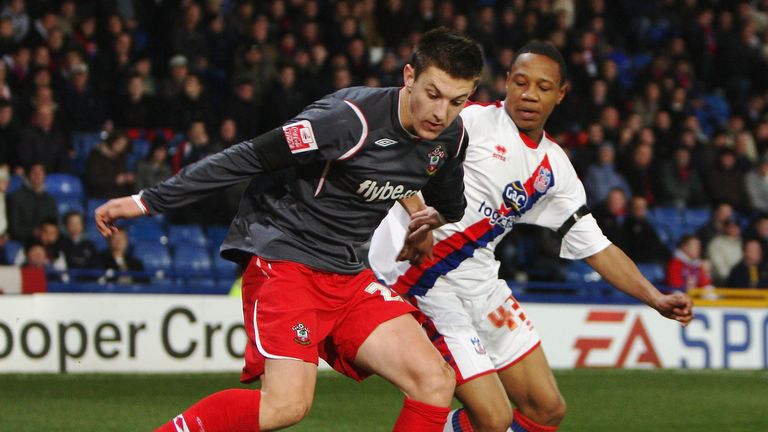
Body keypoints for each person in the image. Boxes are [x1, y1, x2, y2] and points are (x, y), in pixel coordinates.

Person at [94, 28, 484, 432]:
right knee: (286, 405)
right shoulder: (347, 121)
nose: (441, 112)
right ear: (408, 76)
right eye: (433, 94)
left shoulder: (449, 138)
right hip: (285, 259)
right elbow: (249, 156)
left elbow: (451, 202)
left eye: (457, 101)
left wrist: (427, 221)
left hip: (348, 275)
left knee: (435, 382)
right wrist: (147, 202)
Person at [369, 41, 693, 432]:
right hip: (425, 279)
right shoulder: (469, 123)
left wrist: (655, 297)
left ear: (560, 95)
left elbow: (596, 246)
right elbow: (398, 156)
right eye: (520, 82)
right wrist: (419, 217)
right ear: (506, 83)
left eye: (542, 87)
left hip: (482, 284)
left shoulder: (555, 168)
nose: (529, 94)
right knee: (493, 418)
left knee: (545, 408)